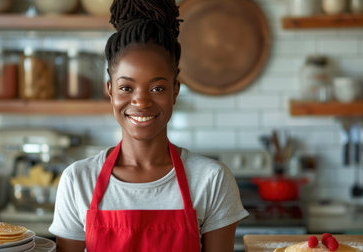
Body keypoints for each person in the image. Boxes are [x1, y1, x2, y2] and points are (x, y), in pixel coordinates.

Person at [48, 0, 249, 251]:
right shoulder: (78, 180)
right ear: (110, 91)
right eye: (126, 88)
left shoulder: (211, 180)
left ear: (175, 91)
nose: (141, 101)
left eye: (157, 88)